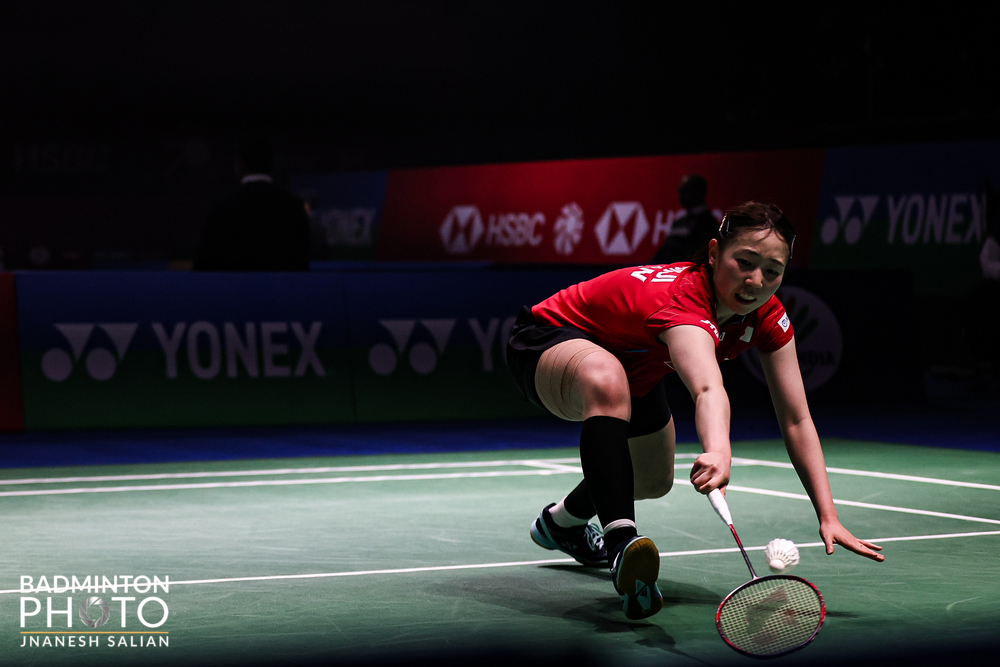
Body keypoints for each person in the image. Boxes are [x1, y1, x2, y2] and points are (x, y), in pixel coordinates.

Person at [506, 201, 884, 621]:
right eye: (744, 262)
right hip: (549, 340)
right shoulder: (685, 301)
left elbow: (797, 419)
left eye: (772, 271)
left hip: (634, 365)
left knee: (652, 478)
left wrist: (827, 514)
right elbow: (707, 387)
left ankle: (562, 523)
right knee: (607, 378)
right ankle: (621, 546)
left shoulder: (767, 316)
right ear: (714, 253)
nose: (755, 281)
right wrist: (719, 451)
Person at [193, 134, 310, 272]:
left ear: (239, 163)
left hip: (233, 286)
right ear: (271, 163)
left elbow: (204, 264)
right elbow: (302, 262)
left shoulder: (222, 208)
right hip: (283, 286)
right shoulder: (293, 207)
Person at [651, 173, 719, 264]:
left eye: (685, 191)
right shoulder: (679, 222)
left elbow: (698, 257)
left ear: (699, 192)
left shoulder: (708, 225)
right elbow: (665, 251)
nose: (681, 196)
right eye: (680, 191)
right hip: (666, 270)